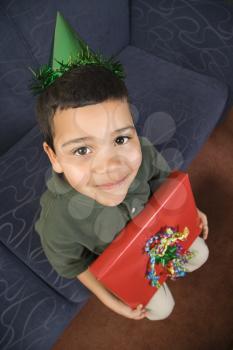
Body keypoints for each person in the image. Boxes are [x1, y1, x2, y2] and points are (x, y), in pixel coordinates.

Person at [33, 12, 209, 321]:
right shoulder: (56, 221)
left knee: (201, 253)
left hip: (162, 233)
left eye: (120, 139)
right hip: (127, 263)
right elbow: (75, 265)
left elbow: (167, 183)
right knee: (161, 309)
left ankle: (170, 267)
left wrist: (191, 212)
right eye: (83, 149)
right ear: (54, 157)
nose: (111, 167)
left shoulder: (145, 153)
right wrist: (109, 300)